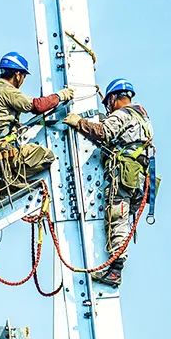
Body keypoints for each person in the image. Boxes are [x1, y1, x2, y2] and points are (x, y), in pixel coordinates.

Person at [63, 78, 154, 286]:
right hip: (139, 179)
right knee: (122, 218)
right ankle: (115, 267)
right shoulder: (143, 117)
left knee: (117, 218)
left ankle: (115, 271)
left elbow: (104, 133)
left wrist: (79, 123)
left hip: (125, 175)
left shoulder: (122, 114)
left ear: (113, 98)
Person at [0, 51, 74, 200]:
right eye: (24, 77)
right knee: (47, 156)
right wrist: (60, 96)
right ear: (18, 74)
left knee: (22, 176)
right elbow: (37, 106)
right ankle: (2, 189)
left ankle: (3, 187)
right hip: (5, 155)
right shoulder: (6, 90)